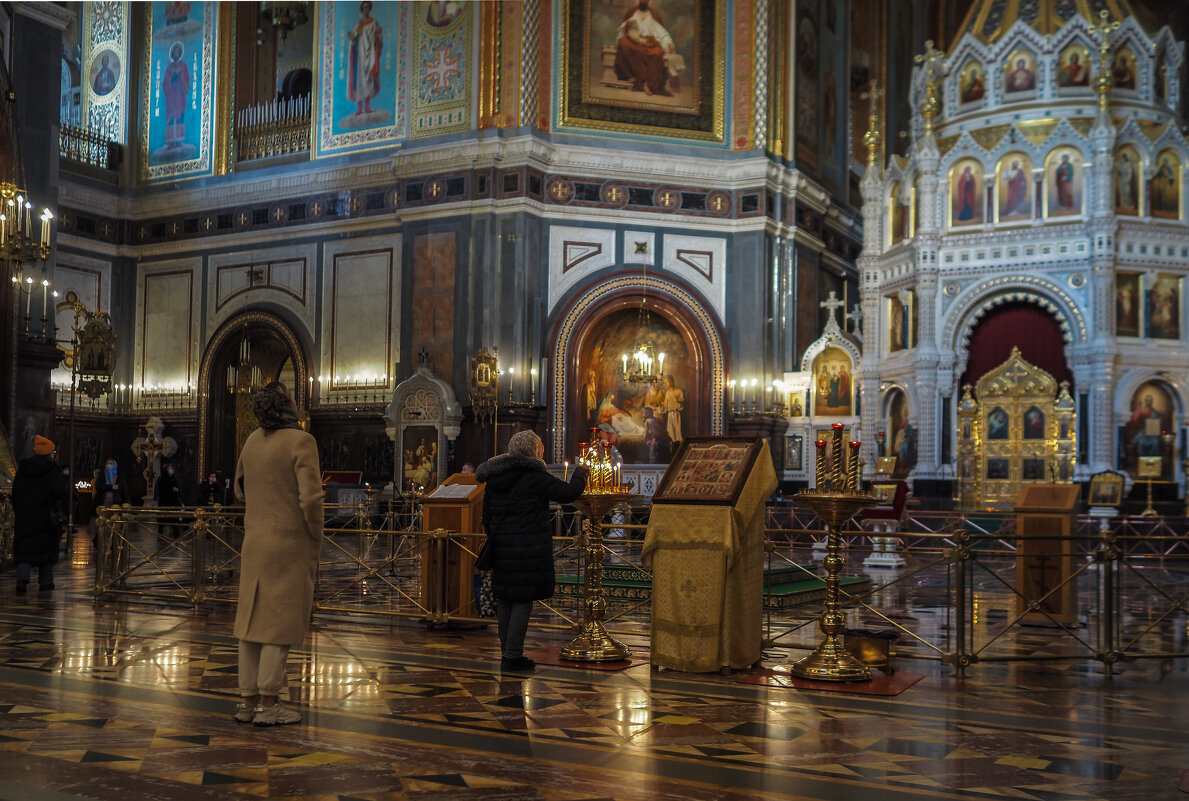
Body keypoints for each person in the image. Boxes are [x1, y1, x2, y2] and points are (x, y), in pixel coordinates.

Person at [232, 382, 323, 726]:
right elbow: (311, 498)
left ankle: (247, 702)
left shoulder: (252, 441)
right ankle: (269, 705)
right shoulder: (301, 441)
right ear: (288, 405)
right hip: (288, 545)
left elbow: (238, 489)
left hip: (254, 543)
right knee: (278, 626)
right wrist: (315, 532)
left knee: (251, 624)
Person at [475, 430, 588, 672]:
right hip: (528, 548)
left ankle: (507, 653)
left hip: (503, 547)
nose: (542, 452)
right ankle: (513, 656)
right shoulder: (534, 475)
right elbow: (568, 494)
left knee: (506, 599)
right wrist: (581, 473)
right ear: (534, 452)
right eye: (540, 448)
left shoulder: (496, 476)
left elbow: (486, 515)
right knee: (523, 600)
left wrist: (499, 535)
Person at [12, 436, 66, 593]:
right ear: (49, 453)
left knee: (24, 550)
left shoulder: (23, 469)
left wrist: (20, 511)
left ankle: (22, 580)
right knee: (46, 551)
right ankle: (46, 582)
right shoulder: (51, 470)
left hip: (25, 517)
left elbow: (15, 493)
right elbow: (58, 492)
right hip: (45, 517)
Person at [614, 0, 678, 97]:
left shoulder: (654, 15)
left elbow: (662, 33)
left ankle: (647, 84)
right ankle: (633, 76)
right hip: (635, 42)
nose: (643, 1)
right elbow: (623, 30)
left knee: (657, 52)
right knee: (623, 42)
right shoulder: (632, 12)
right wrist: (628, 33)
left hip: (649, 43)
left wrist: (670, 44)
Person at [346, 1, 383, 116]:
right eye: (364, 7)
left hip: (370, 54)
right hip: (360, 57)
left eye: (367, 7)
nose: (365, 9)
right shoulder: (359, 24)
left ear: (370, 9)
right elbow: (354, 38)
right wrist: (352, 38)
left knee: (369, 80)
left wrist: (378, 36)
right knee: (360, 81)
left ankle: (367, 107)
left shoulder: (373, 23)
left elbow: (378, 38)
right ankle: (359, 108)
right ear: (362, 9)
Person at [162, 41, 190, 147]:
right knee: (170, 117)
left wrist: (179, 76)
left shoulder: (183, 66)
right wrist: (172, 76)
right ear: (172, 54)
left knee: (179, 116)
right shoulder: (169, 68)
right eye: (175, 52)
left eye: (178, 52)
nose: (176, 54)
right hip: (171, 97)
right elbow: (165, 83)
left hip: (179, 96)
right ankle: (171, 141)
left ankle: (178, 140)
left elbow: (186, 80)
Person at [155, 461, 183, 537]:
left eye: (171, 469)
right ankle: (161, 535)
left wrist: (176, 490)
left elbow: (178, 488)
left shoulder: (173, 477)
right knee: (164, 520)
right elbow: (162, 490)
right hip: (166, 503)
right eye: (169, 469)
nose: (171, 470)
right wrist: (172, 490)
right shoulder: (163, 479)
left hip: (173, 503)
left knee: (174, 521)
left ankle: (175, 535)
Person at [661, 374, 684, 446]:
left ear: (671, 381)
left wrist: (679, 401)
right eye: (665, 382)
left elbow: (682, 404)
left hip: (676, 414)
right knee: (670, 433)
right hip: (670, 415)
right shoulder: (667, 393)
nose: (666, 384)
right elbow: (665, 406)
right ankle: (672, 452)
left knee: (678, 433)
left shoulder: (679, 391)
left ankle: (681, 449)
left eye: (667, 382)